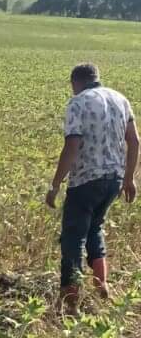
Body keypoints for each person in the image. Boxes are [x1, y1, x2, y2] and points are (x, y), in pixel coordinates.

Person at [46, 61, 137, 308]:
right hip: (113, 179)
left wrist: (55, 184)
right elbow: (134, 141)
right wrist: (129, 178)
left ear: (75, 82)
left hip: (86, 180)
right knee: (95, 227)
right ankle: (101, 284)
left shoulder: (78, 103)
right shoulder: (120, 99)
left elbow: (72, 145)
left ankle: (70, 297)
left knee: (73, 237)